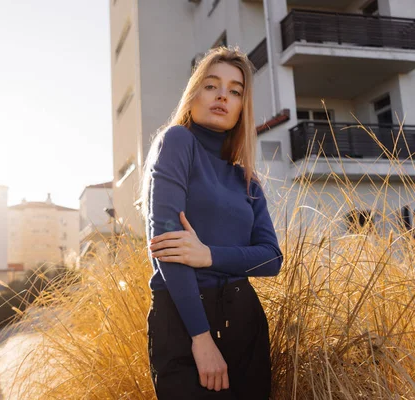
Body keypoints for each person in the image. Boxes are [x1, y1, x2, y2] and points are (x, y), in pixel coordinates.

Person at [139, 46, 283, 399]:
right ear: (192, 96)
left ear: (241, 108)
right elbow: (167, 248)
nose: (223, 96)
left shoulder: (245, 179)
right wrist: (201, 339)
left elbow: (271, 258)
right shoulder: (177, 142)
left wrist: (209, 255)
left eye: (235, 91)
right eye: (211, 85)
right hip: (184, 319)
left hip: (245, 320)